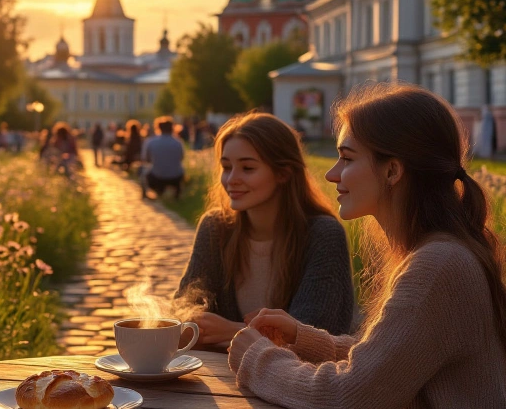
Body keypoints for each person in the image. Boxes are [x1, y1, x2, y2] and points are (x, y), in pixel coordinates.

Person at [228, 83, 506, 407]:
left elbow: (349, 396)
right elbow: (391, 363)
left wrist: (258, 358)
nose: (332, 174)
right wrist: (302, 339)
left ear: (392, 171)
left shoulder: (438, 265)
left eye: (347, 158)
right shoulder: (438, 253)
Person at [174, 112, 353, 351]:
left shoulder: (323, 235)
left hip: (293, 375)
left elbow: (314, 335)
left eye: (247, 168)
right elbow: (184, 306)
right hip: (216, 371)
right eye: (226, 167)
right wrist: (191, 321)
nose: (231, 179)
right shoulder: (214, 228)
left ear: (283, 173)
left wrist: (233, 331)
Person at [140, 116, 184, 200]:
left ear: (158, 128)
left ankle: (145, 194)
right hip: (175, 177)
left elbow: (146, 159)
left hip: (157, 177)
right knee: (181, 170)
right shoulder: (178, 142)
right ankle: (177, 193)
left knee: (142, 170)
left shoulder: (151, 142)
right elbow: (181, 158)